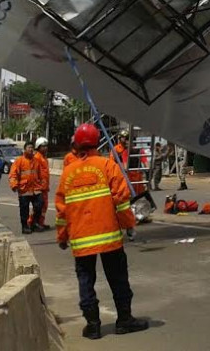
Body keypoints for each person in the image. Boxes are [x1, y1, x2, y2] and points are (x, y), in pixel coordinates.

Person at [56, 123, 148, 340]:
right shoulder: (108, 166)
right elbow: (122, 202)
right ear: (97, 141)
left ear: (77, 144)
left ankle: (93, 326)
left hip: (81, 240)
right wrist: (129, 226)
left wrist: (62, 236)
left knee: (86, 281)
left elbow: (62, 211)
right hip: (109, 237)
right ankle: (124, 320)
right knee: (118, 279)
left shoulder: (68, 173)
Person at [9, 141, 44, 234]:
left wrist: (43, 185)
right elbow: (13, 174)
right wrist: (14, 185)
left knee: (39, 205)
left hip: (36, 189)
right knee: (24, 209)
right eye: (29, 147)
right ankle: (24, 226)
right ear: (25, 149)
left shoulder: (36, 161)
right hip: (24, 189)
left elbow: (41, 174)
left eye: (32, 147)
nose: (31, 149)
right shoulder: (19, 160)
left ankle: (34, 223)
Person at [28, 138, 52, 230]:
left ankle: (40, 222)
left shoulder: (44, 158)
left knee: (44, 206)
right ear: (38, 147)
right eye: (43, 146)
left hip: (44, 187)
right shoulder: (37, 158)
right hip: (38, 187)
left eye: (46, 146)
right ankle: (32, 222)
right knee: (38, 206)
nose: (45, 148)